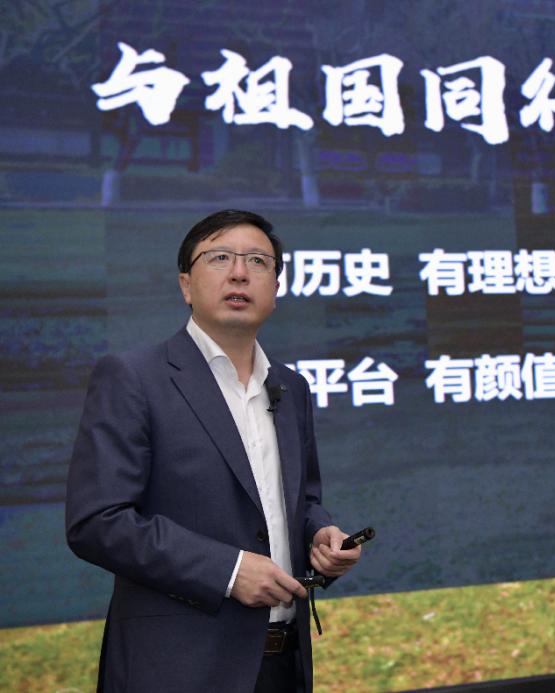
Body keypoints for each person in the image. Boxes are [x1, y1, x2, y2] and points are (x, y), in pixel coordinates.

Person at [66, 210, 360, 693]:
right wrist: (227, 572)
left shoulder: (291, 387)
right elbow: (97, 522)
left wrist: (320, 534)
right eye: (220, 258)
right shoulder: (135, 378)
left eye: (258, 261)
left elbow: (301, 500)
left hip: (283, 664)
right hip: (178, 668)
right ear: (186, 284)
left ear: (276, 288)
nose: (239, 273)